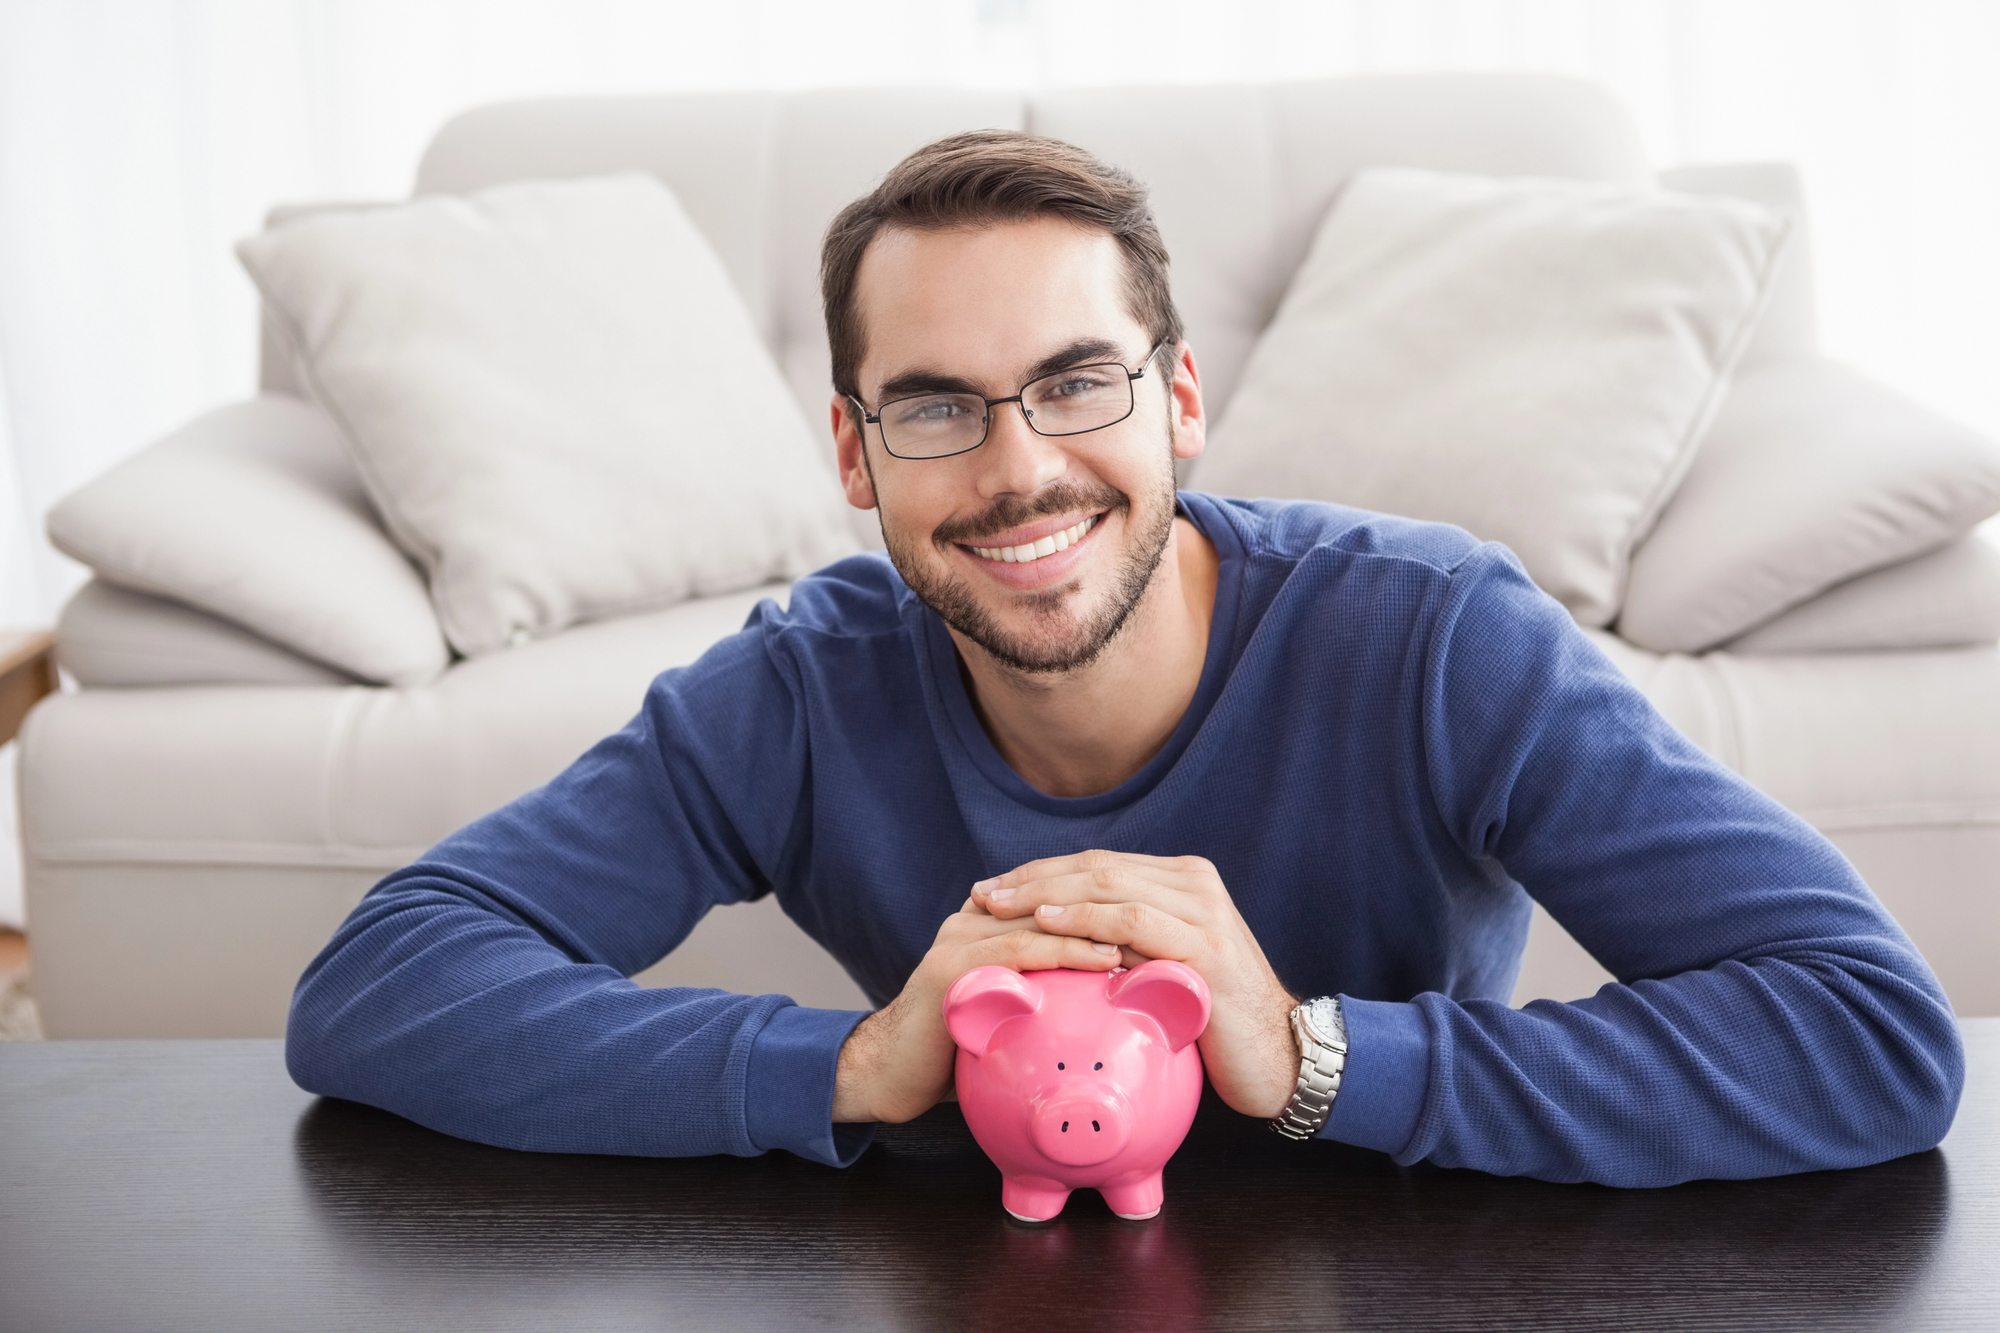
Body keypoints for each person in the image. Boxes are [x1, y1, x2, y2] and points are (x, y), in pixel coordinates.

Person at [286, 131, 1963, 1188]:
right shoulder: (803, 689)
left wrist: (1309, 1053)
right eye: (938, 406)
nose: (1020, 469)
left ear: (1178, 403)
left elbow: (1872, 1034)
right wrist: (851, 1065)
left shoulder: (1439, 640)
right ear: (857, 455)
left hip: (1400, 1264)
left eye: (1078, 382)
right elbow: (382, 985)